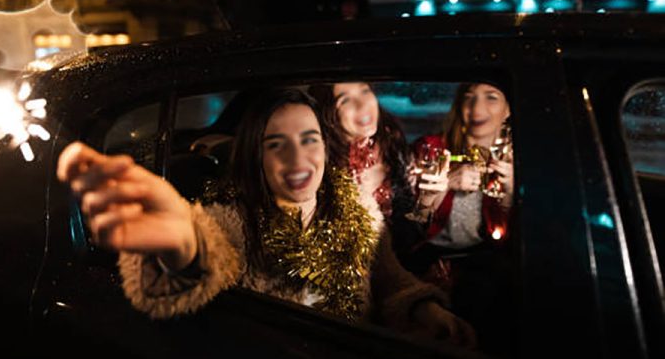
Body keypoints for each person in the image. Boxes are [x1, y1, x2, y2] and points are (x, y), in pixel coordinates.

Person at [56, 88, 476, 346]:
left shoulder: (361, 213)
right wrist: (181, 244)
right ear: (256, 154)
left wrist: (424, 311)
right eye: (276, 144)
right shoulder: (232, 221)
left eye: (308, 140)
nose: (298, 159)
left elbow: (389, 280)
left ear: (326, 148)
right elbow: (204, 254)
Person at [404, 82, 514, 355]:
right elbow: (411, 224)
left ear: (508, 109)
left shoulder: (515, 160)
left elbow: (526, 236)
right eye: (469, 98)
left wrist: (511, 192)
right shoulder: (431, 149)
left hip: (489, 260)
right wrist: (445, 185)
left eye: (491, 97)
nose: (477, 108)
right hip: (430, 254)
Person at [308, 82, 422, 246]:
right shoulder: (322, 170)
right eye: (345, 100)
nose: (363, 104)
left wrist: (428, 197)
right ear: (329, 115)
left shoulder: (395, 148)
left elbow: (415, 225)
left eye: (365, 91)